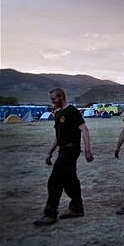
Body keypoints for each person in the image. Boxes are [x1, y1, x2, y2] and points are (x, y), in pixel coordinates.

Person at [34, 88, 94, 226]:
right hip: (62, 150)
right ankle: (77, 209)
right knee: (70, 181)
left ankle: (50, 214)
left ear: (61, 97)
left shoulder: (72, 111)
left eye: (54, 99)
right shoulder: (58, 113)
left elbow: (84, 129)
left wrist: (87, 149)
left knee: (54, 181)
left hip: (71, 150)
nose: (52, 102)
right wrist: (50, 152)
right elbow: (58, 136)